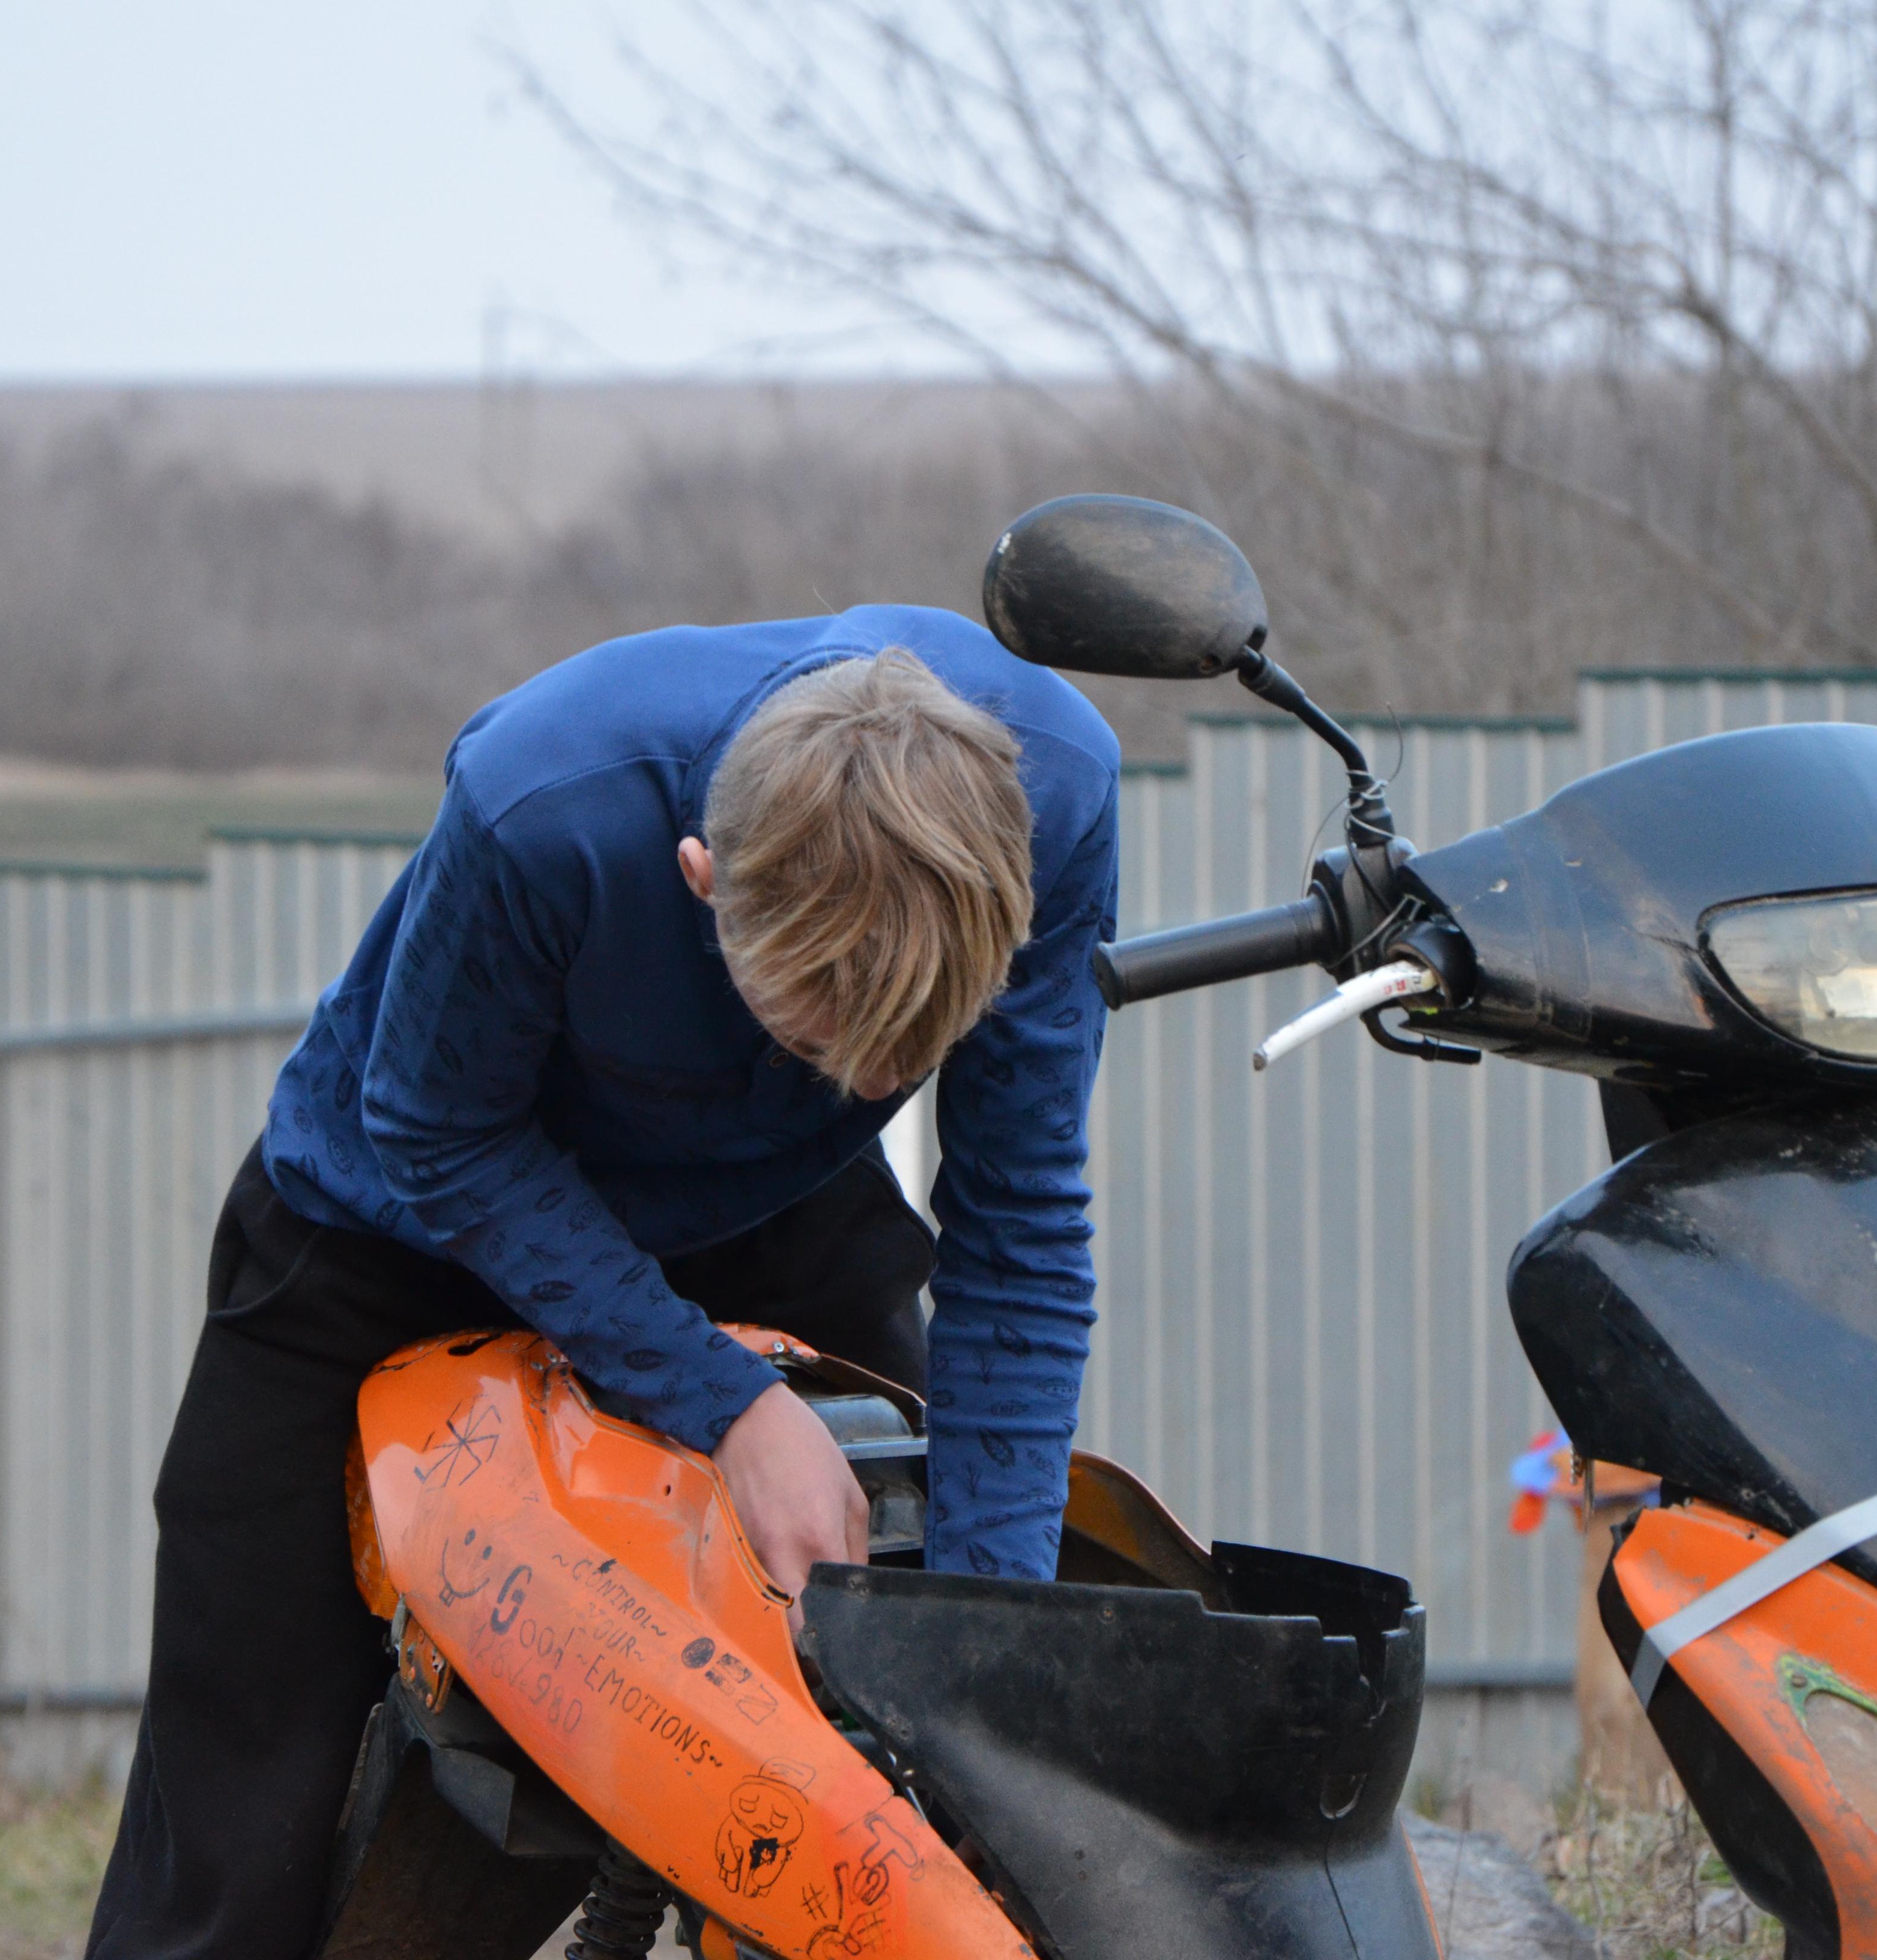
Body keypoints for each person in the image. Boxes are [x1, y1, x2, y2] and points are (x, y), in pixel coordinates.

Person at [85, 604, 1119, 1958]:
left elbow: (1020, 1229)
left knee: (948, 1700)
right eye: (828, 1035)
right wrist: (728, 1406)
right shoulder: (543, 803)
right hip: (403, 1216)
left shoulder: (1054, 796)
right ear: (702, 877)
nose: (877, 1083)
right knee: (239, 1796)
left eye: (909, 1049)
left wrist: (990, 1663)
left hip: (771, 1199)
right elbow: (438, 1130)